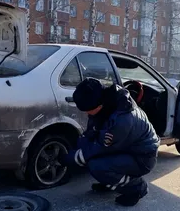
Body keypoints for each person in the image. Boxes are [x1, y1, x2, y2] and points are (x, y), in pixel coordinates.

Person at [60, 77, 160, 207]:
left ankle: (136, 187)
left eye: (87, 110)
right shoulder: (107, 102)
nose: (86, 113)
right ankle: (111, 183)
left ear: (99, 105)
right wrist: (80, 144)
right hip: (126, 148)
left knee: (97, 166)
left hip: (142, 158)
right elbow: (92, 135)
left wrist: (71, 157)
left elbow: (100, 147)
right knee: (90, 154)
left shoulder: (121, 121)